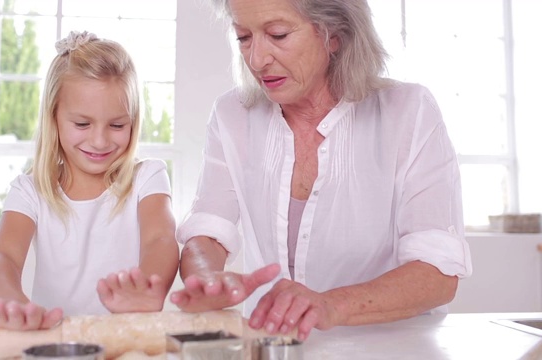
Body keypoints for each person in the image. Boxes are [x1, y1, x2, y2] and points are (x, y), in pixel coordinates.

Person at [170, 0, 472, 341]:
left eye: (278, 35)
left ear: (335, 35)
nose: (256, 59)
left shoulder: (409, 112)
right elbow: (208, 231)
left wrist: (329, 305)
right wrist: (207, 278)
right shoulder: (231, 114)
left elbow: (436, 275)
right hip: (275, 347)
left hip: (389, 348)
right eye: (243, 37)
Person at [0, 31, 179, 331]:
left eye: (117, 125)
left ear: (133, 120)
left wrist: (149, 286)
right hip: (52, 343)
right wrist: (11, 302)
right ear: (53, 118)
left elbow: (161, 239)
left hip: (127, 335)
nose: (100, 140)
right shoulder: (30, 192)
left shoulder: (147, 178)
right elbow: (3, 257)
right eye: (82, 124)